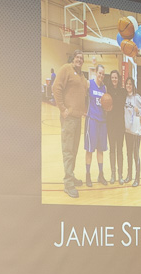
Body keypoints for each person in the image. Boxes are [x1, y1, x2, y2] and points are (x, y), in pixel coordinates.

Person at [52, 50, 88, 198]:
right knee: (68, 150)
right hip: (69, 118)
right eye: (77, 57)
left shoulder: (81, 75)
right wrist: (62, 109)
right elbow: (56, 87)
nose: (79, 60)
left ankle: (71, 175)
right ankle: (68, 183)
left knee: (74, 150)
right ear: (73, 59)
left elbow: (87, 88)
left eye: (81, 58)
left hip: (78, 118)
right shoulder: (66, 69)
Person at [84, 64, 108, 187]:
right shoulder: (89, 83)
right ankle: (88, 175)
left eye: (103, 74)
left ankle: (100, 174)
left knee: (100, 149)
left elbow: (107, 106)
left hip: (102, 122)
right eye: (100, 73)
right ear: (96, 73)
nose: (101, 75)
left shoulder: (105, 88)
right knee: (89, 150)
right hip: (91, 120)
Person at [124, 77, 141, 187]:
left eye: (130, 84)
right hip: (127, 131)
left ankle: (137, 179)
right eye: (127, 84)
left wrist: (139, 111)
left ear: (133, 85)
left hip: (136, 132)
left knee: (135, 155)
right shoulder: (125, 97)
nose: (128, 85)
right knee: (128, 154)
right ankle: (129, 176)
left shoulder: (137, 97)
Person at [106, 70, 127, 184]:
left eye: (116, 77)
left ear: (119, 79)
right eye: (112, 77)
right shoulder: (107, 91)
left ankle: (120, 175)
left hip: (120, 125)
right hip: (110, 124)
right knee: (112, 149)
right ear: (110, 78)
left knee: (120, 149)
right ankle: (113, 174)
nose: (114, 79)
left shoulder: (123, 92)